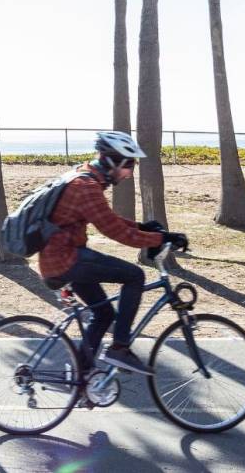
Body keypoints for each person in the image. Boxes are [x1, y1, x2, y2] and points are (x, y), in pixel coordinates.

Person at [37, 131, 184, 376]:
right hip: (66, 260)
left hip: (64, 259)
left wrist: (142, 227)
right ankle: (120, 348)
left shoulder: (86, 179)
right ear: (111, 161)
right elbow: (116, 232)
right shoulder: (86, 187)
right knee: (135, 275)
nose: (130, 172)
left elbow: (109, 219)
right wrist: (162, 238)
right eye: (128, 164)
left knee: (103, 313)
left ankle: (81, 377)